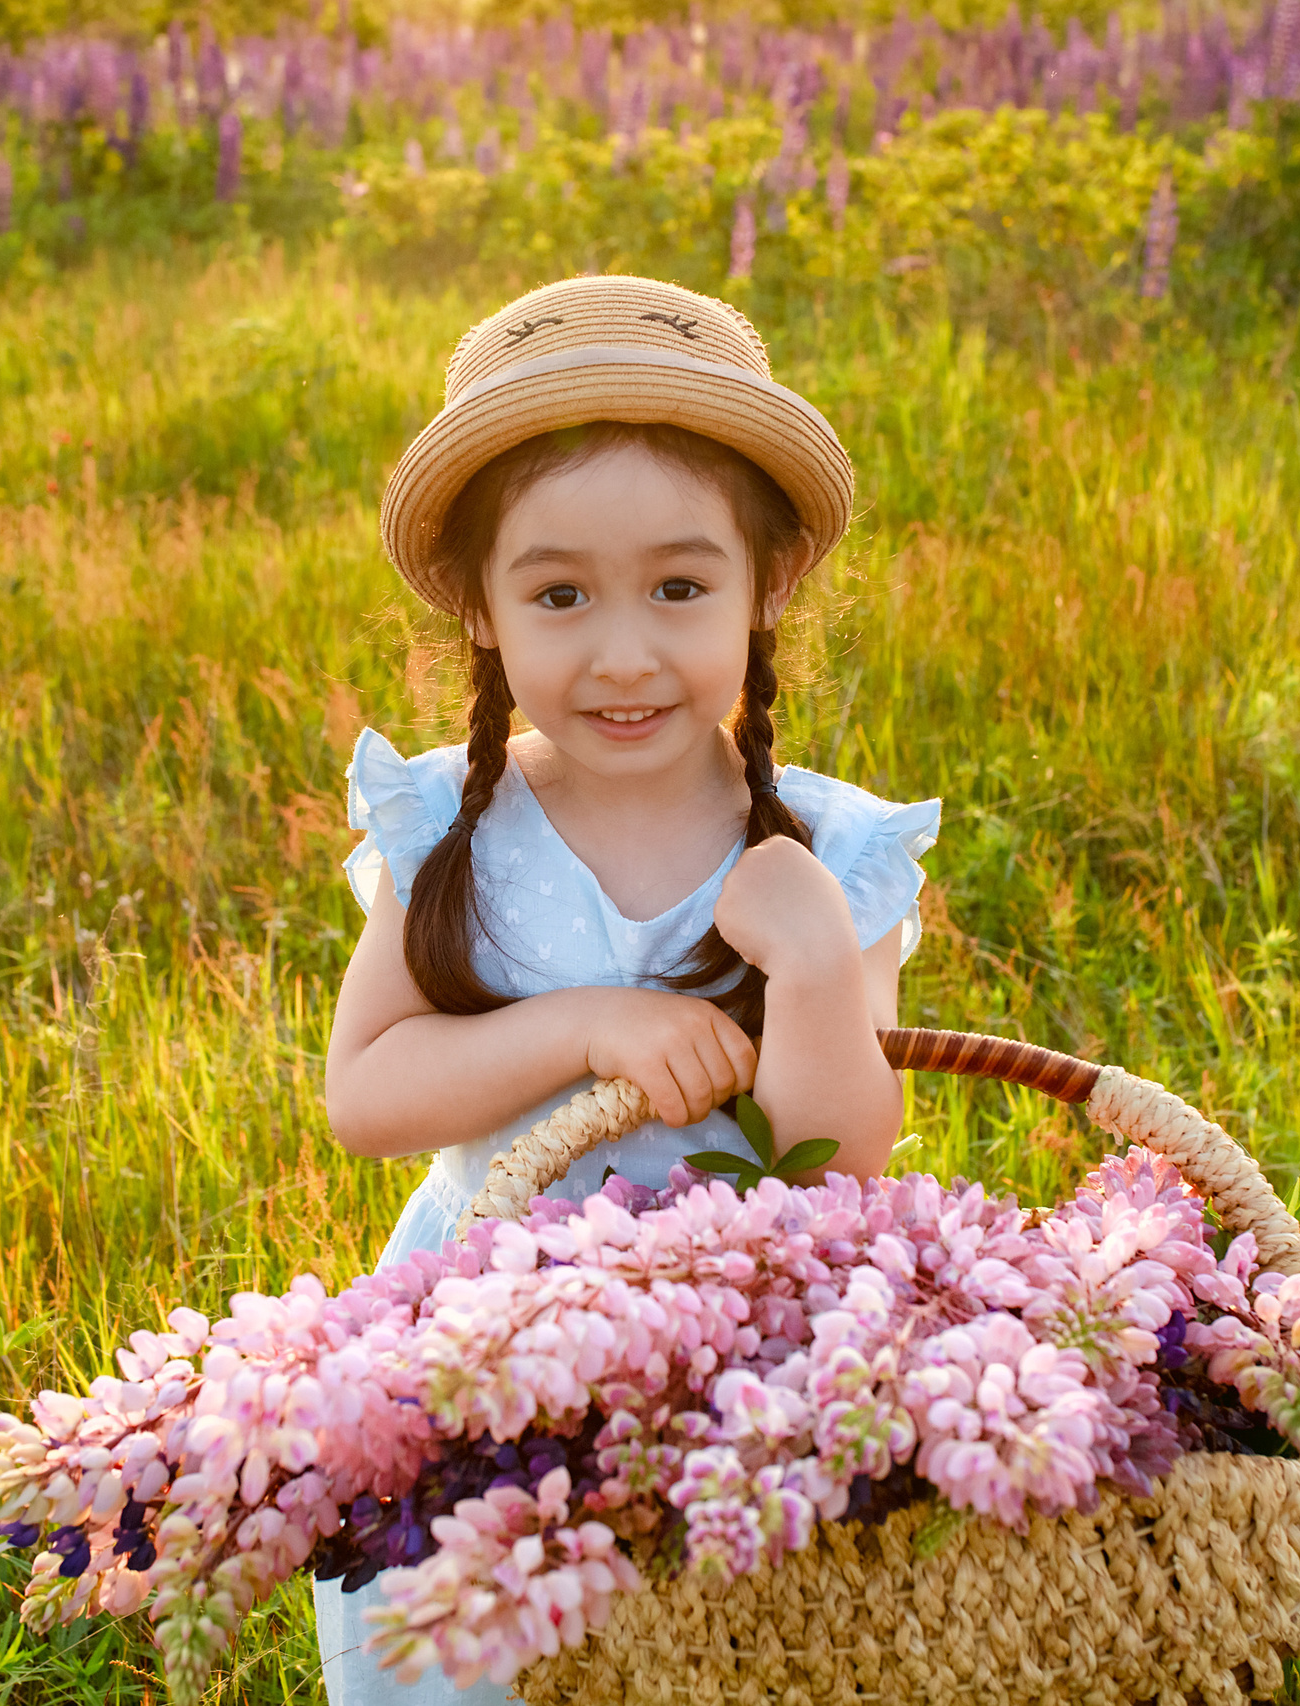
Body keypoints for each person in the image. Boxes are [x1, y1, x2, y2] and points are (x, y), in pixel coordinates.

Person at [313, 274, 940, 1703]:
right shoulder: (453, 833)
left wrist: (819, 958)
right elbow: (368, 1092)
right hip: (489, 1339)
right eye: (558, 593)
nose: (623, 651)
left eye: (678, 584)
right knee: (476, 1644)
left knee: (722, 1653)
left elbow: (843, 1157)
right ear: (481, 606)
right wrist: (584, 1025)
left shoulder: (831, 852)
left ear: (767, 581)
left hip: (744, 1354)